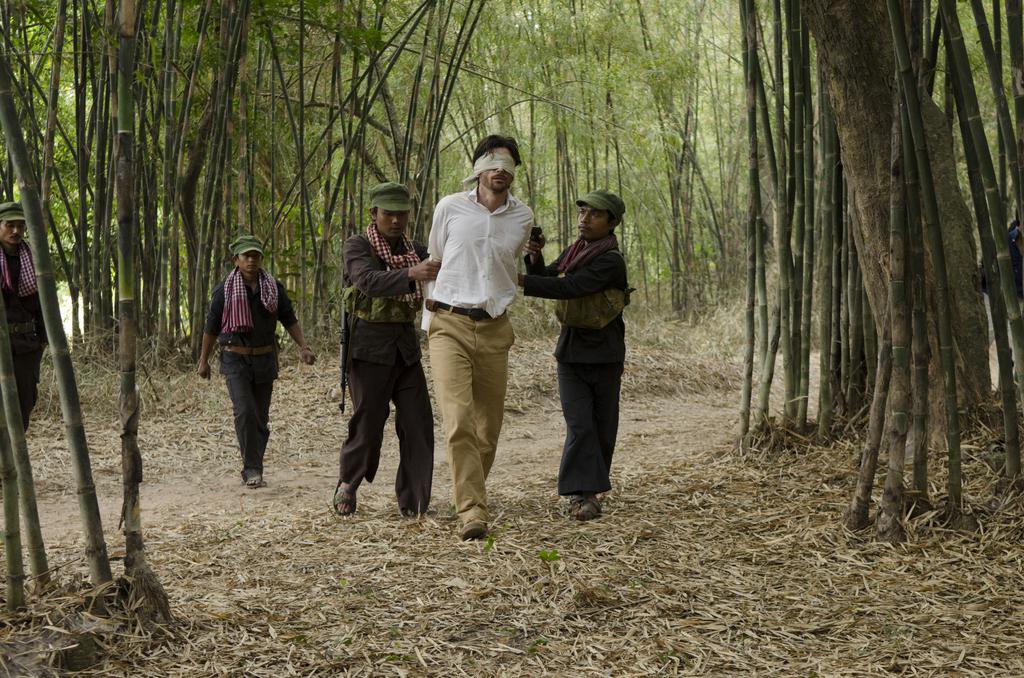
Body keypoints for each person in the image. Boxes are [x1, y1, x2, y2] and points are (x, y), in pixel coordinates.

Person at [425, 135, 534, 540]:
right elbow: (435, 260)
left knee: (488, 427)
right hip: (449, 323)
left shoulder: (522, 217)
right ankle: (471, 509)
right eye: (493, 163)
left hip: (495, 325)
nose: (500, 171)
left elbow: (511, 264)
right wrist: (430, 315)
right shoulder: (449, 207)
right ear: (477, 168)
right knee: (458, 422)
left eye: (508, 165)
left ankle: (472, 491)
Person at [520, 190, 629, 521]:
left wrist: (518, 280)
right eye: (582, 213)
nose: (584, 220)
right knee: (580, 424)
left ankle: (589, 493)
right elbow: (549, 277)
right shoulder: (575, 251)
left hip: (605, 354)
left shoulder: (611, 260)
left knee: (603, 424)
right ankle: (584, 495)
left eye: (594, 215)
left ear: (612, 223)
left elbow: (572, 288)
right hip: (571, 352)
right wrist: (534, 258)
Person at [333, 182, 439, 517]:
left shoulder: (416, 249)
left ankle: (415, 502)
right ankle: (348, 484)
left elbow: (444, 266)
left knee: (418, 423)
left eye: (401, 214)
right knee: (369, 421)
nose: (395, 220)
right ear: (374, 213)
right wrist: (411, 273)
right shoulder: (358, 246)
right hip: (368, 349)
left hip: (405, 350)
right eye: (388, 213)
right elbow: (368, 281)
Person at [197, 234, 316, 488]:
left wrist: (303, 347)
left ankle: (255, 464)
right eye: (246, 256)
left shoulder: (273, 288)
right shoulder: (224, 291)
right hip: (234, 359)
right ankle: (251, 468)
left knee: (260, 417)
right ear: (236, 259)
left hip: (264, 358)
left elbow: (289, 318)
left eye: (255, 256)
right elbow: (211, 327)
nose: (251, 260)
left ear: (261, 259)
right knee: (245, 411)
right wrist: (203, 361)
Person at [0, 202, 45, 430]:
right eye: (10, 225)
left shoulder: (35, 260)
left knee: (24, 405)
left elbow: (44, 306)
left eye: (20, 226)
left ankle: (16, 463)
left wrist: (42, 342)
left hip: (25, 347)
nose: (16, 231)